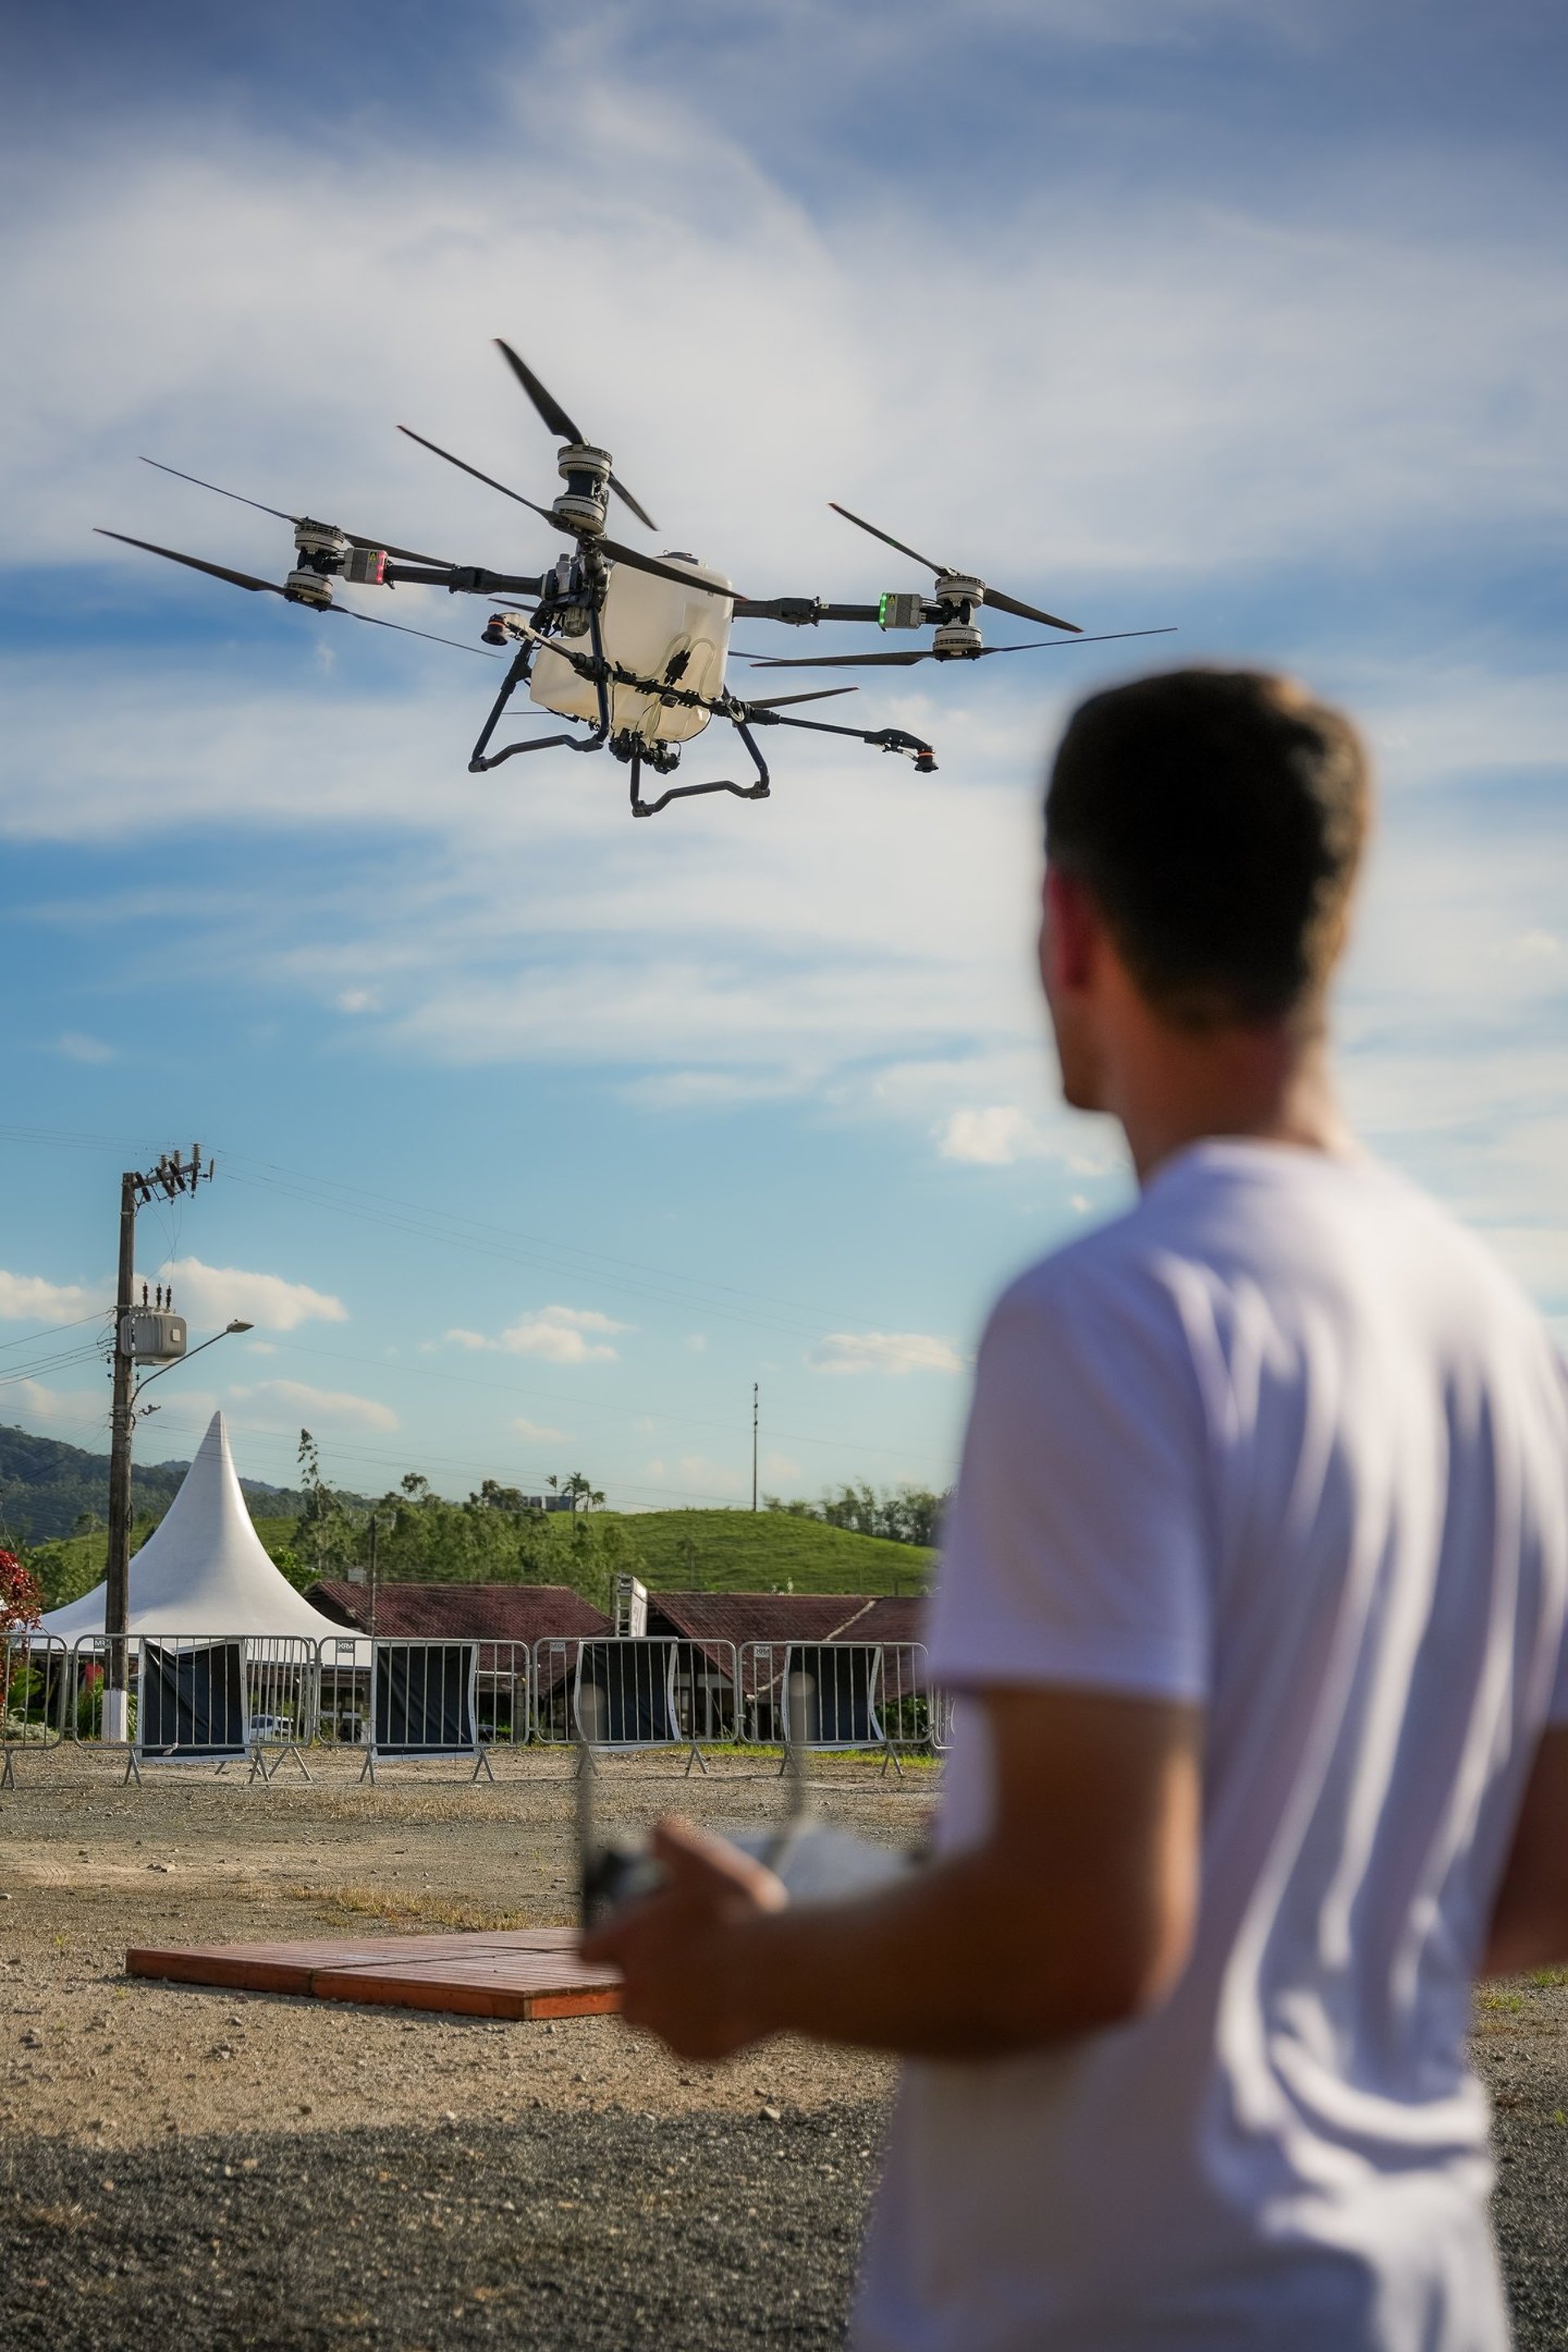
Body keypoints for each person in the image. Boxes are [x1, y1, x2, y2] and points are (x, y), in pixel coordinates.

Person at [582, 669, 1568, 2350]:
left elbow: (1080, 1939)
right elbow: (1538, 1878)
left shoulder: (1111, 1317)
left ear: (1066, 922)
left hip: (1134, 2301)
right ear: (1325, 931)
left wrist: (750, 1966)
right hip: (1411, 2288)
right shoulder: (1502, 1336)